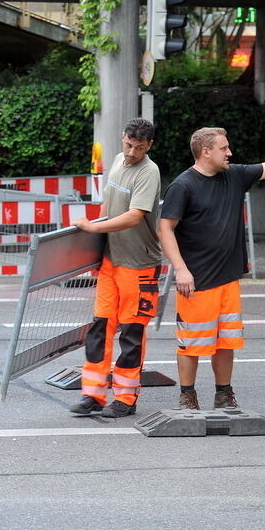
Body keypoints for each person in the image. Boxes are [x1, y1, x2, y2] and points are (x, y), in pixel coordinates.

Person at [158, 127, 265, 411]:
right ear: (206, 152)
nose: (230, 153)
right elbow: (165, 228)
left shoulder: (234, 175)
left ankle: (223, 394)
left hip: (228, 279)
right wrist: (180, 269)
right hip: (196, 280)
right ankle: (187, 396)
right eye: (223, 148)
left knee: (226, 341)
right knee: (190, 343)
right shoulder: (183, 186)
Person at [69, 118, 162, 419]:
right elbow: (108, 206)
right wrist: (97, 251)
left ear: (149, 145)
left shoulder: (149, 171)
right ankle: (93, 395)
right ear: (122, 138)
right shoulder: (118, 161)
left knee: (132, 332)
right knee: (100, 328)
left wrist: (94, 231)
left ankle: (125, 398)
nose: (132, 152)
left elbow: (135, 216)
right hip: (112, 261)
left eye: (138, 147)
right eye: (128, 145)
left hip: (139, 265)